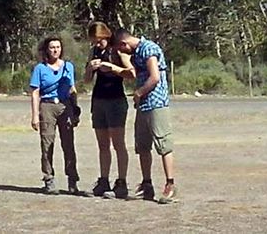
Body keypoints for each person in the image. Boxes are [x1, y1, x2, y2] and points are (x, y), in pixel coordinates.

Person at [111, 28, 177, 204]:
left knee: (163, 144)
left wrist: (139, 92)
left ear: (124, 43)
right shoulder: (136, 53)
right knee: (142, 146)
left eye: (121, 49)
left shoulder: (148, 48)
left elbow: (154, 77)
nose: (123, 52)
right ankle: (147, 184)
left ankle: (170, 184)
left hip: (156, 103)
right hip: (144, 106)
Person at [84, 22, 135, 199]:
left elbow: (132, 73)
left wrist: (114, 68)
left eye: (99, 41)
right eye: (94, 42)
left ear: (106, 36)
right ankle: (103, 179)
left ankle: (121, 182)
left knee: (118, 143)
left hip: (116, 100)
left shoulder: (118, 51)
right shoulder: (94, 52)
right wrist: (91, 68)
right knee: (102, 144)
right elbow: (86, 81)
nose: (97, 44)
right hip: (98, 100)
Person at [30, 36, 80, 195]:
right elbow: (35, 92)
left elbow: (72, 89)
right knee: (47, 143)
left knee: (68, 144)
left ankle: (72, 180)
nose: (55, 50)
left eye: (58, 47)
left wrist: (75, 110)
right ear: (46, 50)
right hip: (47, 105)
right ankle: (48, 179)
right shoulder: (40, 68)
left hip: (65, 105)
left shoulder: (68, 67)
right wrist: (35, 116)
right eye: (52, 47)